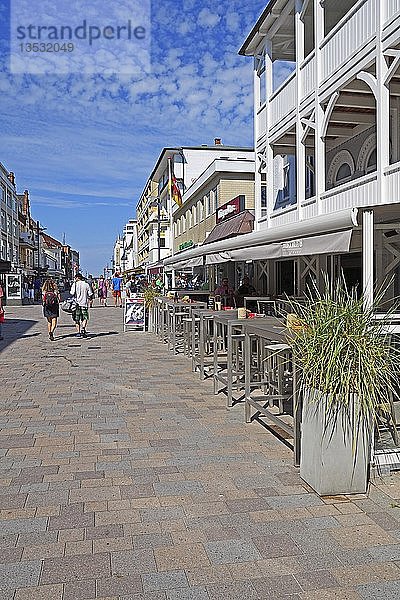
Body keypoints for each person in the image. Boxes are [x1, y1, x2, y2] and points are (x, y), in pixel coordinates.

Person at [70, 272, 93, 338]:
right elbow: (90, 293)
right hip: (84, 303)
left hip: (76, 304)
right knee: (85, 317)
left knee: (77, 318)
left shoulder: (74, 284)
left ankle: (78, 332)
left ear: (77, 278)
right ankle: (83, 328)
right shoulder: (86, 284)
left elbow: (71, 293)